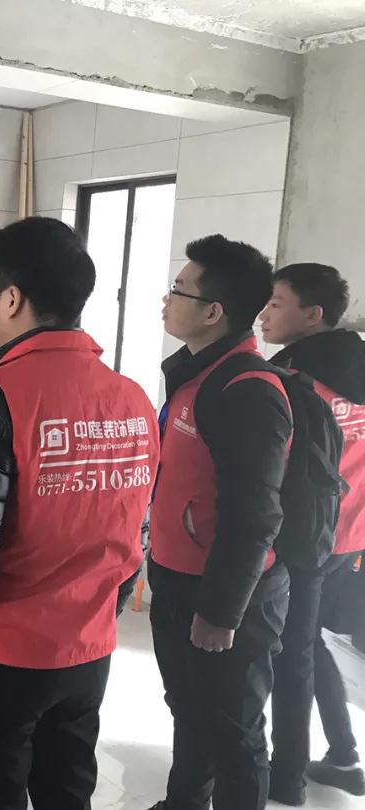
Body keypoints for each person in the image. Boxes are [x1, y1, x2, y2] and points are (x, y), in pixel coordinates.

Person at [0, 217, 158, 810]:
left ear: (12, 298)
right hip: (90, 651)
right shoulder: (132, 396)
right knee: (67, 791)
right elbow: (136, 524)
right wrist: (103, 610)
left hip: (2, 655)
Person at [147, 236, 293, 810]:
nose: (167, 299)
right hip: (178, 576)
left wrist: (221, 611)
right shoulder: (197, 373)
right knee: (190, 709)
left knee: (235, 732)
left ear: (214, 312)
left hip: (227, 594)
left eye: (179, 289)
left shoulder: (247, 389)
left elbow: (256, 514)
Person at [261, 262, 365, 801]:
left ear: (313, 314)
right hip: (351, 533)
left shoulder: (292, 377)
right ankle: (344, 755)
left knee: (291, 652)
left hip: (304, 536)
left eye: (276, 303)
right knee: (308, 642)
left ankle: (286, 774)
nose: (263, 314)